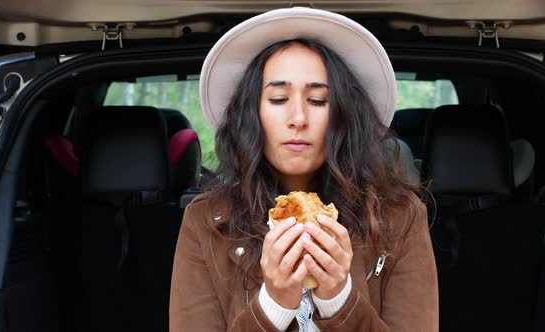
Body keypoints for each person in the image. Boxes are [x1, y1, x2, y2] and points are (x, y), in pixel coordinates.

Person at [170, 7, 438, 331]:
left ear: (343, 116)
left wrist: (339, 300)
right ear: (251, 115)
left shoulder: (401, 218)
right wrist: (273, 305)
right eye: (279, 99)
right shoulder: (206, 222)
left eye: (318, 100)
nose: (298, 118)